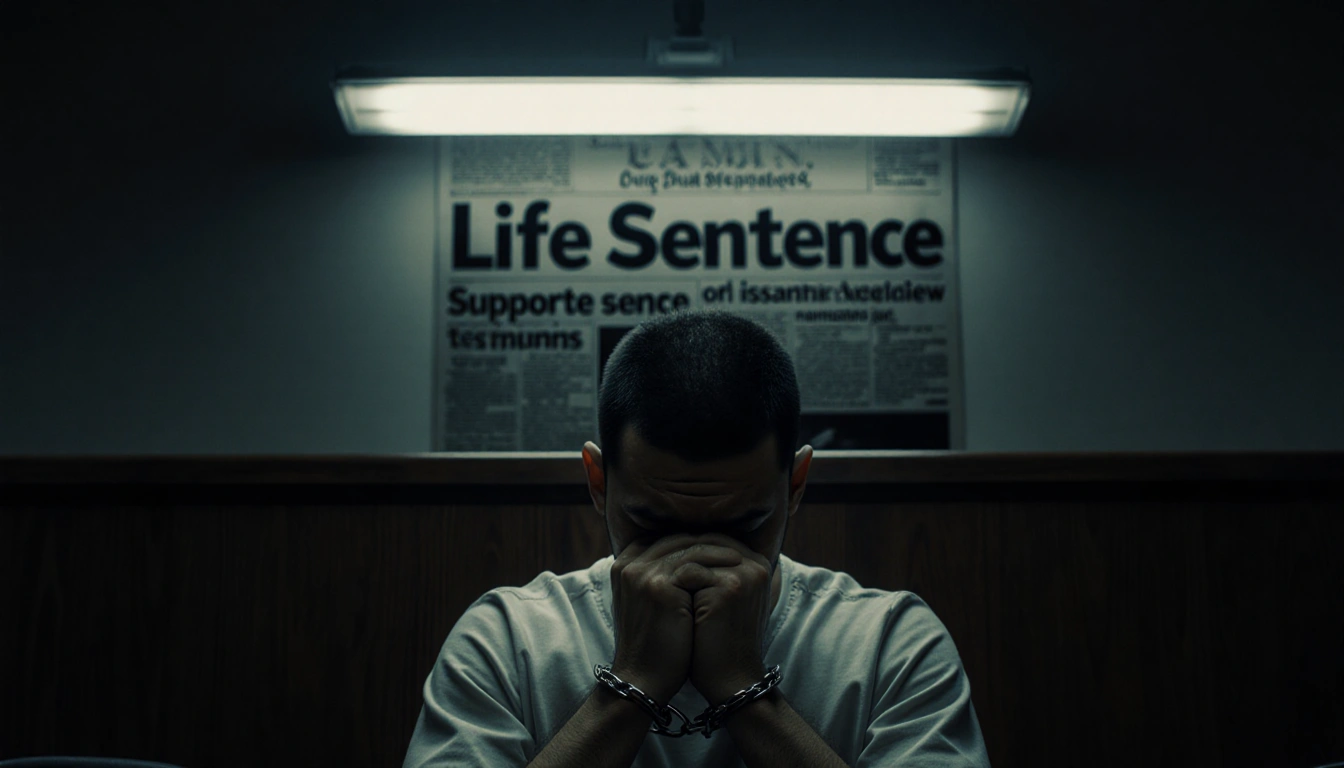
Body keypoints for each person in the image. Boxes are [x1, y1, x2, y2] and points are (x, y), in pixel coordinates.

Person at [403, 309, 989, 767]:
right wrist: (632, 683)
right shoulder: (508, 639)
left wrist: (742, 686)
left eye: (743, 526)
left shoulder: (891, 643)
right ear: (598, 483)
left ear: (796, 485)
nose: (694, 563)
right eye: (653, 525)